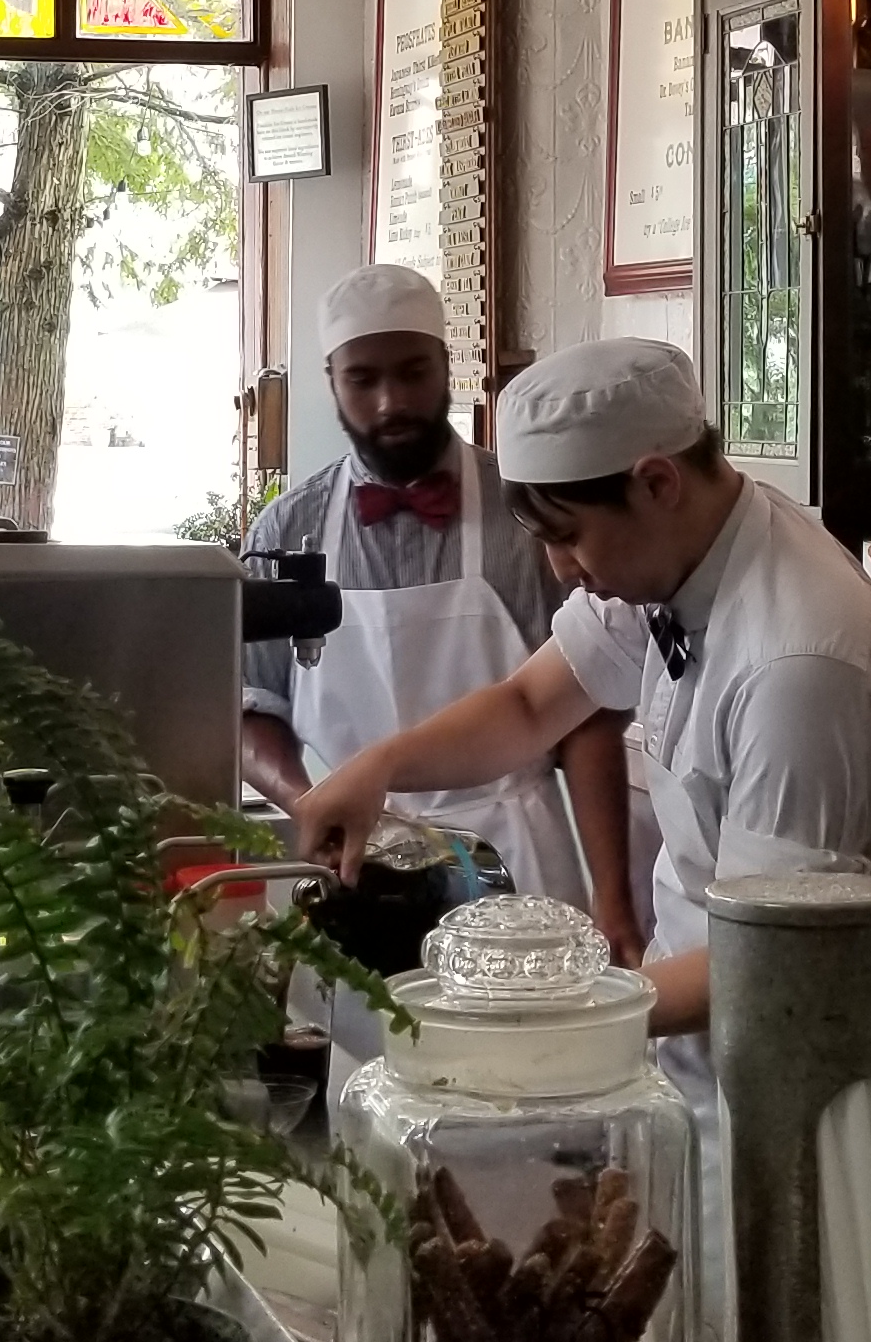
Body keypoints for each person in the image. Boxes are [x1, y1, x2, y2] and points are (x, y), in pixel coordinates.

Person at [291, 336, 871, 1052]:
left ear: (658, 484)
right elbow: (529, 706)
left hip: (799, 1068)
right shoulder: (685, 550)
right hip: (696, 1036)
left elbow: (772, 955)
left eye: (569, 536)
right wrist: (380, 767)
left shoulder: (799, 669)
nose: (561, 569)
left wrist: (535, 1017)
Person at [239, 265, 640, 959]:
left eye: (413, 372)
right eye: (364, 380)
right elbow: (249, 704)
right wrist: (309, 801)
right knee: (358, 1057)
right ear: (330, 379)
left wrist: (613, 898)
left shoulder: (528, 512)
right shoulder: (284, 531)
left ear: (448, 367)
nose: (392, 401)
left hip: (517, 867)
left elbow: (586, 712)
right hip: (351, 870)